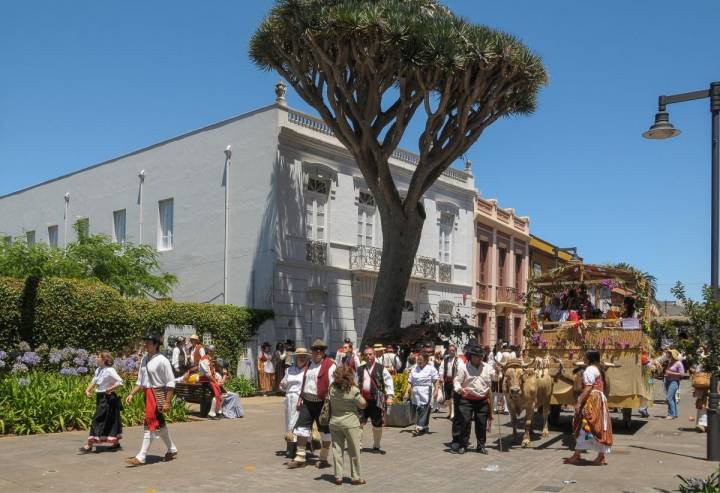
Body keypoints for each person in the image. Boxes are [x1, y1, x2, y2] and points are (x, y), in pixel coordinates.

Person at [125, 334, 178, 466]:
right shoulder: (144, 359)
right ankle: (172, 449)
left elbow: (171, 382)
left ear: (155, 344)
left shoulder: (162, 360)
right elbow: (141, 381)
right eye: (145, 342)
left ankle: (141, 456)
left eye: (147, 342)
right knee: (160, 424)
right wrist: (132, 393)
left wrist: (167, 401)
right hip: (147, 395)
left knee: (150, 424)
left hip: (157, 396)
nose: (145, 345)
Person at [287, 339, 336, 469]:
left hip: (322, 403)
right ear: (312, 351)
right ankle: (300, 458)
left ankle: (324, 458)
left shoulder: (330, 365)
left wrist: (329, 403)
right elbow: (304, 382)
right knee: (301, 429)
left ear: (324, 351)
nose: (318, 351)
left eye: (321, 349)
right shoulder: (309, 364)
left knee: (325, 431)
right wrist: (300, 398)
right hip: (307, 402)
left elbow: (333, 385)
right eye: (315, 349)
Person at [564, 349, 613, 466]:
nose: (583, 358)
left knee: (585, 424)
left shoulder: (590, 370)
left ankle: (577, 456)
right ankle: (599, 456)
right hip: (598, 399)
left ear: (589, 358)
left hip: (592, 399)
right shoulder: (596, 369)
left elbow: (588, 388)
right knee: (597, 426)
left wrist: (579, 402)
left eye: (585, 356)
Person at [451, 343, 494, 455]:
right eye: (477, 356)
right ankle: (463, 445)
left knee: (481, 423)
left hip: (482, 399)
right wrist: (459, 389)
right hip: (467, 399)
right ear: (471, 356)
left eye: (481, 356)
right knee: (465, 422)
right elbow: (456, 381)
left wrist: (499, 372)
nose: (479, 358)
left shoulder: (487, 367)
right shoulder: (463, 368)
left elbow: (495, 377)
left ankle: (481, 446)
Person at [329, 365, 368, 486]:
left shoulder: (332, 389)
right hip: (351, 424)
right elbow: (363, 404)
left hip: (335, 422)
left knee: (337, 450)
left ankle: (338, 476)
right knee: (354, 450)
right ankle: (356, 477)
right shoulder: (353, 390)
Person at [79, 351, 124, 453]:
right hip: (100, 397)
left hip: (108, 398)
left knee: (97, 419)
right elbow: (94, 381)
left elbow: (120, 382)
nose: (96, 358)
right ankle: (116, 444)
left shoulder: (110, 370)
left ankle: (89, 445)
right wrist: (87, 390)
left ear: (104, 359)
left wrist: (110, 389)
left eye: (98, 357)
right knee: (109, 420)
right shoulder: (99, 370)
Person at [357, 345, 394, 454]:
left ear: (374, 355)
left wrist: (390, 396)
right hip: (362, 400)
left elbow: (388, 382)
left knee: (377, 423)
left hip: (376, 400)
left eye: (370, 354)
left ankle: (376, 444)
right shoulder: (360, 369)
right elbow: (355, 383)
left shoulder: (381, 368)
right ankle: (358, 445)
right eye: (366, 354)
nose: (368, 356)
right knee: (359, 422)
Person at [279, 347, 310, 459]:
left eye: (304, 357)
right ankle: (289, 444)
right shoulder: (289, 370)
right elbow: (284, 385)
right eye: (300, 357)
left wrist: (302, 398)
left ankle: (297, 447)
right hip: (289, 398)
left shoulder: (308, 370)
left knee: (297, 423)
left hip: (300, 398)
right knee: (288, 422)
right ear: (296, 358)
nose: (302, 359)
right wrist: (282, 385)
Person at [405, 352, 439, 436]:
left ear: (426, 361)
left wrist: (436, 390)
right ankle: (425, 426)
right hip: (415, 391)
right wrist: (406, 392)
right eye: (418, 360)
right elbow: (410, 382)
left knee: (423, 408)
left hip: (426, 390)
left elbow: (436, 380)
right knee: (419, 408)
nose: (419, 361)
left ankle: (418, 427)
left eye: (421, 360)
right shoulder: (414, 369)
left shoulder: (431, 369)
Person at [199, 345, 223, 418]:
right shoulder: (204, 360)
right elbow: (207, 374)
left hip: (209, 380)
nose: (214, 353)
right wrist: (216, 382)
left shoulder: (209, 359)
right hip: (206, 381)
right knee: (217, 392)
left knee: (220, 391)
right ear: (209, 351)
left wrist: (218, 379)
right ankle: (212, 413)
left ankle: (216, 411)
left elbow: (212, 372)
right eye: (213, 351)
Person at [664, 349, 684, 420]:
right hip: (668, 381)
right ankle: (674, 413)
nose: (668, 355)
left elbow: (682, 374)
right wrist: (666, 374)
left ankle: (671, 414)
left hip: (674, 382)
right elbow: (668, 371)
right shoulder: (670, 362)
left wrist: (671, 373)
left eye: (669, 353)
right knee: (672, 398)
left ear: (673, 355)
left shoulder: (678, 363)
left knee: (669, 397)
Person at [442, 344, 459, 420]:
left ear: (455, 351)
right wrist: (441, 377)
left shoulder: (458, 360)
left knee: (453, 397)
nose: (451, 352)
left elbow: (460, 370)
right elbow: (441, 369)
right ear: (448, 351)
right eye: (450, 350)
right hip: (446, 380)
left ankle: (453, 414)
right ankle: (450, 412)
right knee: (448, 398)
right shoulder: (445, 359)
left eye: (453, 350)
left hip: (454, 380)